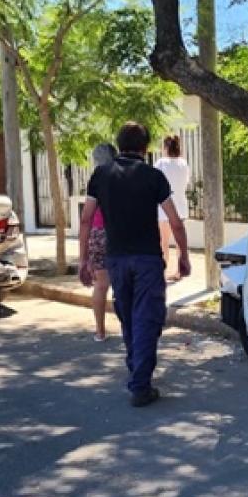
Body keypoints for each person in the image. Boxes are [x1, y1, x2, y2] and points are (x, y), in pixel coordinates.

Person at [79, 122, 190, 408]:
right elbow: (175, 222)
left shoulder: (101, 175)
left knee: (128, 314)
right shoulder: (153, 177)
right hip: (148, 260)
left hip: (116, 260)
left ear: (119, 144)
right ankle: (140, 384)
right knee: (147, 318)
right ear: (145, 147)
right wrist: (183, 256)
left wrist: (84, 260)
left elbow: (86, 219)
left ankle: (136, 367)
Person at [85, 143, 117, 342]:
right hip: (120, 233)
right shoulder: (123, 177)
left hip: (98, 232)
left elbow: (86, 217)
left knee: (101, 285)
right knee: (123, 283)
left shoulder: (95, 179)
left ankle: (100, 331)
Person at [156, 135, 191, 281]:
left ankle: (163, 271)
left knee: (163, 241)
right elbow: (187, 181)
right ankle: (179, 270)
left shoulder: (161, 163)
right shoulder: (183, 163)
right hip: (181, 205)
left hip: (164, 207)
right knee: (179, 241)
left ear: (165, 147)